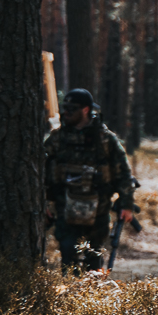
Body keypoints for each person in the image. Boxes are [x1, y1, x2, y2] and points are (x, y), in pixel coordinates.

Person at [43, 88, 137, 273]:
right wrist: (43, 202)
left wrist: (126, 205)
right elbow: (41, 171)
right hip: (64, 210)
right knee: (68, 258)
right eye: (64, 108)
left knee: (94, 261)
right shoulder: (57, 138)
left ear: (85, 109)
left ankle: (92, 291)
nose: (66, 112)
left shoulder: (106, 140)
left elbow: (123, 174)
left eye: (72, 108)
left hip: (98, 212)